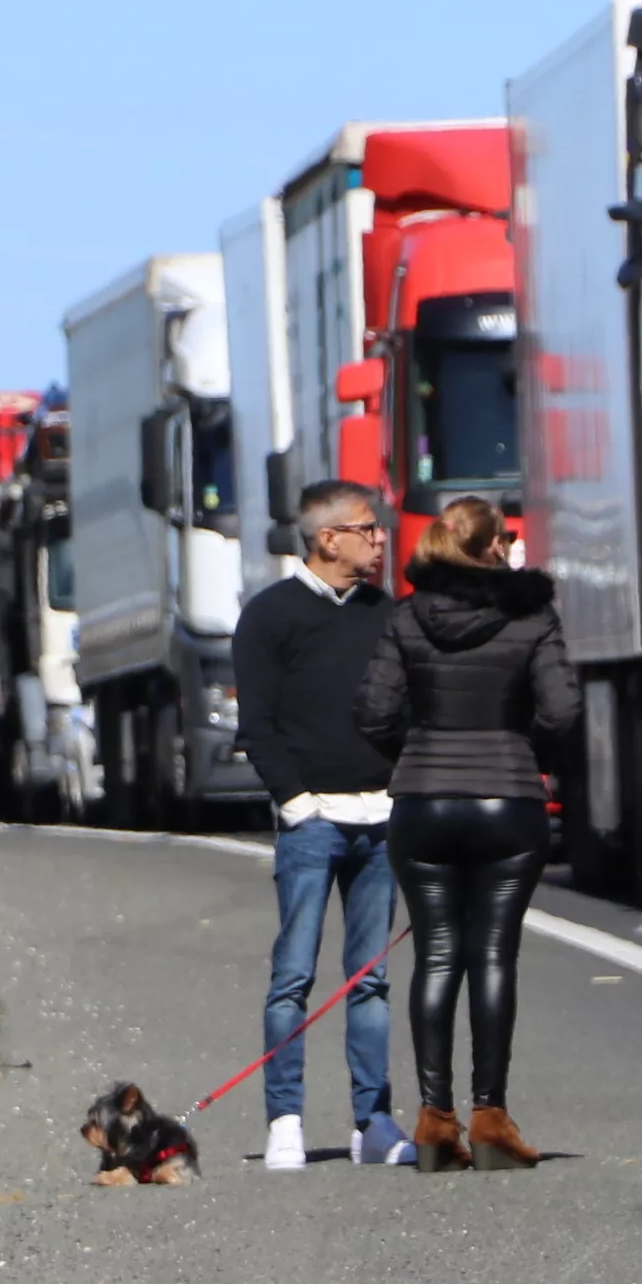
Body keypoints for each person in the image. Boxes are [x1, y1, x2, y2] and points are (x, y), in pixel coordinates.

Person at [360, 494, 578, 1171]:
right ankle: (491, 1114)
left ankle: (433, 1120)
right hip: (505, 799)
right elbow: (563, 709)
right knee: (491, 956)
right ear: (491, 548)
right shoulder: (531, 617)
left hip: (422, 801)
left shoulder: (405, 617)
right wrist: (525, 753)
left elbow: (372, 712)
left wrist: (416, 753)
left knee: (435, 954)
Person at [231, 477, 411, 1170]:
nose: (379, 539)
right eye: (368, 528)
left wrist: (398, 791)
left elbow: (403, 708)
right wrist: (297, 802)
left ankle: (373, 1122)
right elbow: (261, 726)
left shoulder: (383, 614)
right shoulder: (271, 616)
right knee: (293, 976)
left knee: (369, 978)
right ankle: (285, 1119)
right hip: (312, 825)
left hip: (379, 819)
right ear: (328, 538)